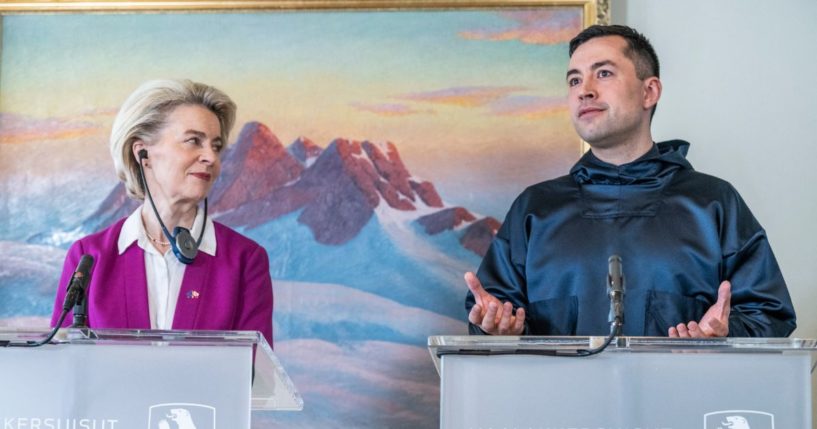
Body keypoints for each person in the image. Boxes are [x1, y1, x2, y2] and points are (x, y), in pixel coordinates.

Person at [465, 25, 795, 338]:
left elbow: (769, 314)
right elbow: (493, 313)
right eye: (574, 80)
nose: (585, 91)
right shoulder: (535, 208)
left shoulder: (712, 202)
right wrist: (497, 327)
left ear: (649, 91)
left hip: (686, 397)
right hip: (560, 398)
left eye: (603, 73)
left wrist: (725, 333)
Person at [51, 79, 273, 346]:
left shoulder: (245, 260)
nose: (211, 158)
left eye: (215, 146)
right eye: (194, 141)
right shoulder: (88, 257)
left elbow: (255, 376)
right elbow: (63, 364)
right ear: (143, 153)